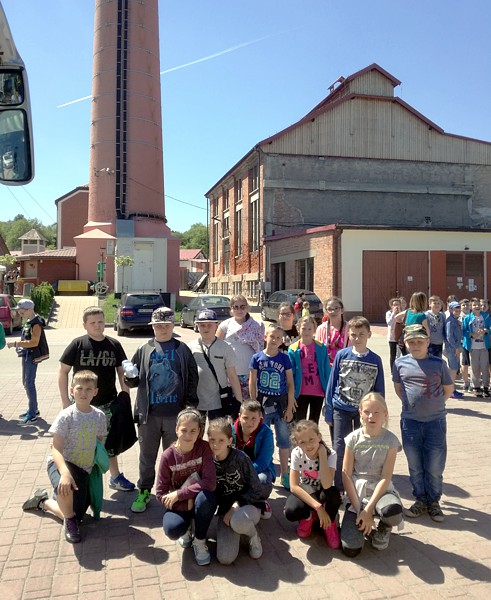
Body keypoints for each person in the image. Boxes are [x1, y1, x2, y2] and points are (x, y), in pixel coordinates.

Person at [126, 306, 199, 513]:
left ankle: (174, 491)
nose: (163, 329)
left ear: (173, 325)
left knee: (175, 457)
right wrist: (129, 377)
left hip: (176, 416)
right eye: (158, 326)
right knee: (147, 456)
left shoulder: (182, 349)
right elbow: (133, 379)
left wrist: (189, 407)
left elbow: (192, 377)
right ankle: (144, 490)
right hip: (150, 415)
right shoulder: (144, 349)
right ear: (152, 327)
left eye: (166, 325)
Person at [21, 371, 107, 543]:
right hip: (60, 463)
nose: (83, 393)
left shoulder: (99, 416)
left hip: (83, 469)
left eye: (89, 389)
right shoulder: (66, 416)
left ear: (95, 392)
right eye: (79, 388)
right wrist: (65, 473)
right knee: (67, 491)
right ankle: (69, 521)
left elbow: (98, 442)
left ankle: (43, 501)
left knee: (78, 514)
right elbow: (56, 449)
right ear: (72, 391)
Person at [58, 306, 135, 492]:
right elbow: (63, 371)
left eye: (100, 321)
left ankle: (115, 477)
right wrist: (65, 401)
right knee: (79, 443)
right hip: (81, 405)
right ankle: (79, 478)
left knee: (108, 443)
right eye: (92, 322)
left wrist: (125, 395)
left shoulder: (114, 344)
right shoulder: (77, 344)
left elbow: (122, 371)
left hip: (107, 404)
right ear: (85, 325)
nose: (97, 325)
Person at [392, 324, 453, 522]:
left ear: (428, 342)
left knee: (434, 466)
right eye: (411, 342)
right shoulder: (400, 364)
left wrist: (434, 405)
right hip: (410, 423)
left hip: (435, 422)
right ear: (405, 343)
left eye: (420, 341)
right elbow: (399, 389)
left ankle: (433, 502)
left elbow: (448, 389)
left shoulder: (438, 363)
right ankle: (420, 499)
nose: (416, 345)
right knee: (415, 464)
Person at [325, 316, 385, 490]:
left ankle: (358, 484)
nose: (357, 338)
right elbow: (332, 383)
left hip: (364, 412)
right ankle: (339, 486)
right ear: (348, 335)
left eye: (361, 334)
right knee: (339, 446)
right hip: (341, 408)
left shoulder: (375, 359)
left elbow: (379, 389)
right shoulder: (342, 355)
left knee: (362, 446)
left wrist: (378, 414)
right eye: (353, 335)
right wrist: (328, 411)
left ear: (369, 335)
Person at [341, 393, 403, 557]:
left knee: (393, 511)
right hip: (357, 493)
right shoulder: (352, 439)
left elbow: (385, 477)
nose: (371, 416)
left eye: (376, 412)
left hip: (381, 491)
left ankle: (384, 526)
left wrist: (368, 510)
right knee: (351, 549)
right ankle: (359, 522)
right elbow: (346, 474)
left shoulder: (391, 441)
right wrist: (359, 510)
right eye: (367, 412)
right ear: (360, 412)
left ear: (385, 414)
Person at [155, 408, 216, 566]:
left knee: (207, 498)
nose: (188, 435)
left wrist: (180, 494)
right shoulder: (168, 456)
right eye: (184, 430)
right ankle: (186, 527)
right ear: (176, 429)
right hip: (180, 504)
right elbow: (160, 494)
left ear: (199, 431)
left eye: (193, 431)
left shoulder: (204, 448)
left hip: (196, 500)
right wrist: (184, 502)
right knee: (172, 529)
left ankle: (200, 540)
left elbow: (210, 482)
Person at [208, 417, 266, 564]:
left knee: (238, 520)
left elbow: (257, 488)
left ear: (230, 441)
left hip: (248, 505)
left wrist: (237, 505)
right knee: (225, 558)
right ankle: (239, 530)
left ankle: (253, 536)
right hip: (226, 511)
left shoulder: (240, 458)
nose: (215, 444)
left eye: (221, 440)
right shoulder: (208, 460)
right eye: (212, 440)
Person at [249, 323, 295, 490]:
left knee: (283, 439)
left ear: (282, 340)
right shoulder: (257, 358)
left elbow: (290, 383)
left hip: (280, 403)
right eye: (272, 336)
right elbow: (252, 382)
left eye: (278, 337)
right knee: (262, 437)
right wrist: (253, 405)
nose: (274, 340)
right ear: (265, 337)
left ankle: (285, 473)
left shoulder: (284, 358)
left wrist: (289, 407)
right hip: (263, 403)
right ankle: (267, 470)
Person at [284, 420, 341, 548]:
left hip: (323, 492)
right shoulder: (296, 453)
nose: (308, 445)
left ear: (319, 437)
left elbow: (326, 484)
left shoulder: (331, 454)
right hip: (307, 491)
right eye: (302, 442)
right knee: (291, 511)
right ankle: (309, 517)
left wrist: (322, 455)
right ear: (297, 443)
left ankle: (330, 524)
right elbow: (294, 487)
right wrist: (318, 508)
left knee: (333, 494)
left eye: (311, 439)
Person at [188, 309, 242, 421]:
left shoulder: (225, 348)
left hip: (219, 402)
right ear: (197, 325)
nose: (206, 328)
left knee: (218, 431)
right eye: (202, 325)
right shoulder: (190, 347)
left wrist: (239, 402)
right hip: (197, 402)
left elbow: (232, 376)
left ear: (216, 325)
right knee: (196, 432)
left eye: (209, 325)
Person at [7, 298, 49, 425]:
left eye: (22, 312)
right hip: (26, 355)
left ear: (29, 310)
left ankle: (32, 414)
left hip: (32, 356)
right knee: (26, 382)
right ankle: (33, 409)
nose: (20, 314)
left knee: (29, 383)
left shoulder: (36, 324)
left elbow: (34, 342)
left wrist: (16, 343)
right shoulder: (29, 321)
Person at [217, 295, 264, 401]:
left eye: (242, 307)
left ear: (247, 308)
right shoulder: (225, 325)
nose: (239, 310)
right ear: (231, 309)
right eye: (236, 307)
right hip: (230, 374)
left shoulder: (257, 325)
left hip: (250, 374)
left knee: (249, 405)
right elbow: (216, 346)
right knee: (232, 404)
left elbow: (261, 348)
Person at [288, 315, 330, 424]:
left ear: (314, 329)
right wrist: (291, 394)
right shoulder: (293, 349)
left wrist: (328, 391)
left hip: (318, 392)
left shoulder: (321, 348)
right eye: (304, 328)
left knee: (314, 422)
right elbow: (291, 374)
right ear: (298, 328)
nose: (306, 331)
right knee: (300, 422)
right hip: (300, 392)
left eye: (309, 329)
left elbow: (326, 370)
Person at [233, 400, 275, 508]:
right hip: (235, 470)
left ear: (260, 418)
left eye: (254, 418)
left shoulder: (266, 433)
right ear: (239, 416)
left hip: (258, 470)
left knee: (262, 481)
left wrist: (243, 474)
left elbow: (263, 462)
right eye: (245, 418)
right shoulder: (231, 432)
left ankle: (259, 501)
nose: (249, 422)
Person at [462, 298, 491, 397]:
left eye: (478, 304)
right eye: (474, 305)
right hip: (473, 347)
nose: (477, 306)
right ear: (471, 307)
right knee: (474, 368)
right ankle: (476, 387)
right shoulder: (467, 318)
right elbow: (463, 331)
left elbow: (489, 329)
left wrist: (486, 331)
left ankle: (486, 387)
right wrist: (471, 334)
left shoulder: (486, 316)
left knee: (485, 367)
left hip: (484, 346)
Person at [315, 296, 350, 365]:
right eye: (329, 309)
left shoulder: (350, 328)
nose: (333, 311)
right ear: (326, 312)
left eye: (336, 308)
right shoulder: (321, 329)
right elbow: (316, 350)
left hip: (344, 366)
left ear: (342, 310)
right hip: (326, 367)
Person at [445, 301, 464, 399]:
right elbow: (449, 337)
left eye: (459, 309)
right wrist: (456, 347)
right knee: (453, 369)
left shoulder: (456, 320)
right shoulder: (450, 321)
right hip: (452, 348)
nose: (458, 311)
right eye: (455, 309)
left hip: (455, 347)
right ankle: (450, 391)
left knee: (455, 368)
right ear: (451, 310)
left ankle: (452, 389)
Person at [386, 297, 405, 370]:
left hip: (400, 337)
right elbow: (389, 323)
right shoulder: (389, 313)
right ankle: (392, 371)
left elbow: (403, 322)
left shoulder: (402, 313)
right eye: (394, 305)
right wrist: (394, 313)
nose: (396, 306)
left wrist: (399, 313)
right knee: (393, 355)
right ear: (391, 306)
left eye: (398, 304)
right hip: (392, 338)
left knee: (404, 353)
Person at [459, 298, 471, 392]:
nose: (465, 306)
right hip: (463, 342)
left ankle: (474, 382)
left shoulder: (473, 315)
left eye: (467, 305)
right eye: (463, 305)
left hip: (474, 342)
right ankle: (466, 382)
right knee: (464, 362)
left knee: (475, 363)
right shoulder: (458, 317)